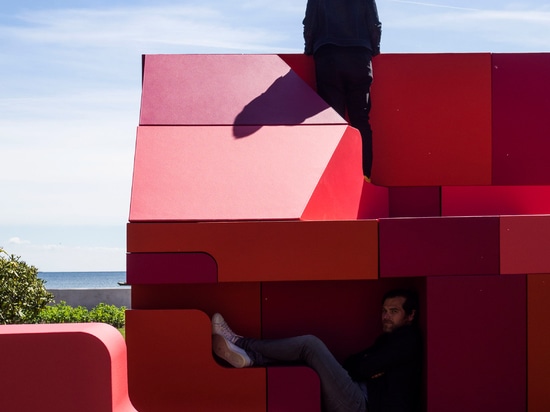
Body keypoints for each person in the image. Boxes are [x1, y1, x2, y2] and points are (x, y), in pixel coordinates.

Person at [212, 288, 422, 412]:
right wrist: (368, 367)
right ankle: (250, 358)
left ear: (410, 316)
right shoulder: (387, 340)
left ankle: (239, 342)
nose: (386, 316)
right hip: (357, 397)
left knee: (310, 345)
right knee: (307, 366)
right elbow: (356, 364)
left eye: (394, 311)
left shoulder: (407, 340)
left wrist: (367, 367)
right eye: (384, 311)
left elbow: (362, 367)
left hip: (362, 405)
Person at [303, 0, 382, 181]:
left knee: (333, 121)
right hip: (359, 56)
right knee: (360, 120)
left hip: (328, 55)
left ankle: (334, 177)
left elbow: (310, 23)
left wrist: (309, 49)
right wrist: (374, 49)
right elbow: (374, 24)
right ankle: (364, 175)